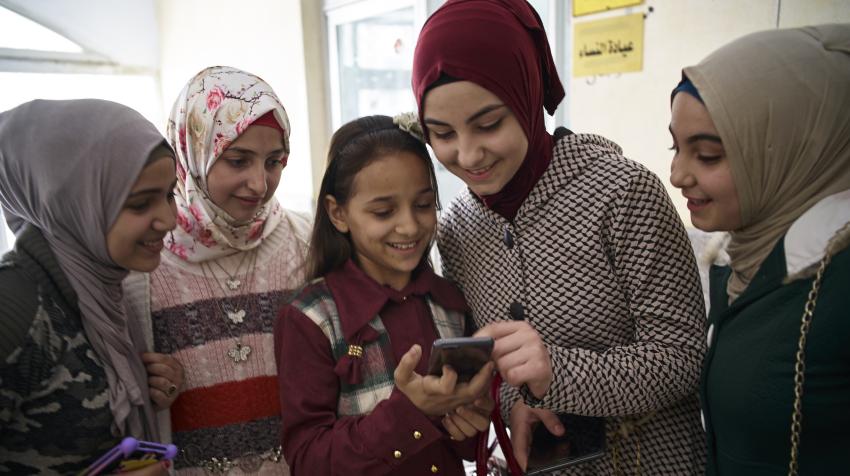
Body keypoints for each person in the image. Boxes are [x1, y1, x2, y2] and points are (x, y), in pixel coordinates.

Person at [412, 0, 707, 473]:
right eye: (442, 133)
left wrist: (558, 374)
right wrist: (512, 400)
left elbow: (682, 356)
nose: (468, 155)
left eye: (489, 124)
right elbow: (498, 363)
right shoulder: (458, 230)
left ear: (528, 98)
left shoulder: (623, 193)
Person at [669, 24, 850, 475]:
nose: (676, 174)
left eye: (707, 155)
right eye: (675, 146)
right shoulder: (745, 256)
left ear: (799, 148)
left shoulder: (838, 281)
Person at [275, 114, 494, 476]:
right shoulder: (310, 318)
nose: (409, 226)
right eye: (383, 211)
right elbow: (309, 459)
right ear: (338, 213)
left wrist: (472, 416)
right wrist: (410, 412)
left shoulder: (450, 302)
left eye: (423, 205)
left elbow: (468, 445)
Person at [123, 66, 310, 473]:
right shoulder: (144, 263)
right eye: (238, 160)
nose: (260, 184)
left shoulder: (303, 240)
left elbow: (346, 352)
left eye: (274, 161)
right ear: (192, 153)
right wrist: (150, 387)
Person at [0, 99, 182, 474]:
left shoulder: (104, 291)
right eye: (139, 204)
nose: (169, 219)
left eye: (169, 195)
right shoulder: (14, 308)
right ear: (75, 203)